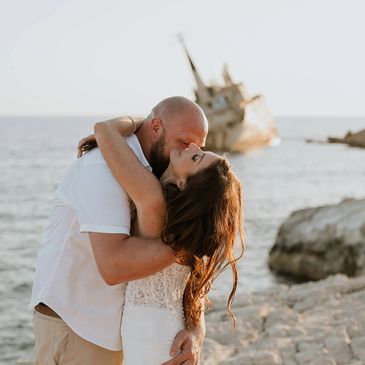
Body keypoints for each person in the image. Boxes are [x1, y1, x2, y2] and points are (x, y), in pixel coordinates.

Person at [30, 96, 209, 365]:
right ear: (156, 127)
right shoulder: (101, 168)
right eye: (184, 142)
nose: (189, 150)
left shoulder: (171, 180)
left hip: (128, 335)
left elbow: (192, 277)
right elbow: (113, 266)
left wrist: (196, 329)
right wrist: (187, 246)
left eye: (198, 147)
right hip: (80, 329)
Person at [77, 114, 244, 364]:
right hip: (168, 328)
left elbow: (105, 130)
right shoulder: (188, 229)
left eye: (197, 156)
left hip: (149, 332)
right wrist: (196, 329)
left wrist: (148, 122)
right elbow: (191, 290)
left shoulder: (152, 201)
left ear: (182, 183)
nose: (193, 147)